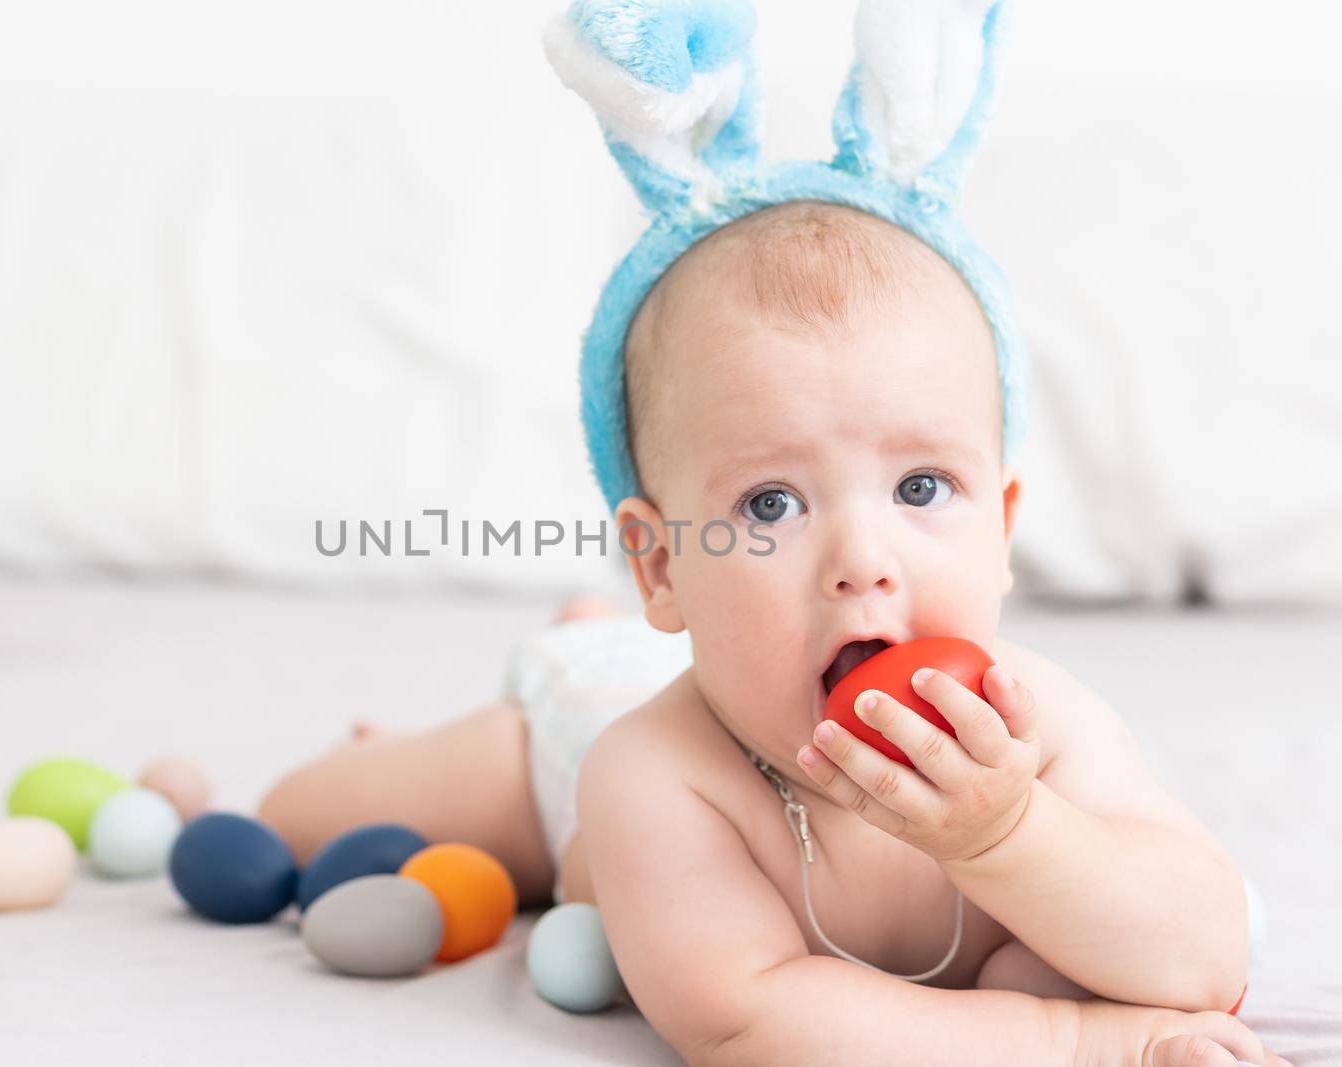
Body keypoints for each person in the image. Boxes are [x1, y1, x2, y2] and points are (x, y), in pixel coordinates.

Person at [260, 3, 1285, 1063]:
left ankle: (605, 609)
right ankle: (493, 689)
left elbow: (1201, 950)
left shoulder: (1047, 729)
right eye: (771, 505)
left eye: (923, 486)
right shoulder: (653, 773)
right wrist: (1077, 1038)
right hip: (575, 725)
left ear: (1004, 528)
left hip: (680, 660)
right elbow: (747, 1020)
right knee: (306, 816)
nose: (861, 562)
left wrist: (1011, 834)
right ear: (660, 565)